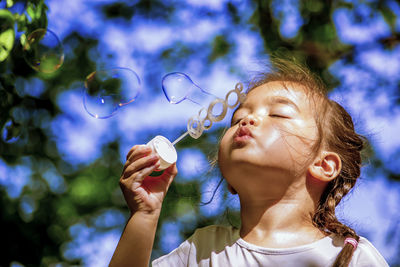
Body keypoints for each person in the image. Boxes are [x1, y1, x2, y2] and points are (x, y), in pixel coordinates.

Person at [109, 58, 389, 267]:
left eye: (279, 114)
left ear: (324, 165)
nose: (247, 119)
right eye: (236, 118)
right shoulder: (202, 250)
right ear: (229, 181)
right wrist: (144, 216)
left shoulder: (351, 257)